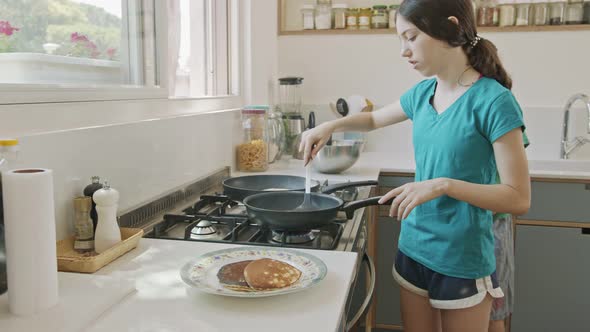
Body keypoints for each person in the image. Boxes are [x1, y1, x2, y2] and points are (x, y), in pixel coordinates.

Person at [299, 1, 531, 331]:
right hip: (414, 247)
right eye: (401, 40)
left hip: (462, 255)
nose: (404, 51)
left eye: (411, 37)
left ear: (450, 27)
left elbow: (518, 198)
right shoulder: (424, 93)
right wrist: (329, 127)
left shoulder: (494, 101)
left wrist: (442, 185)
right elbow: (374, 118)